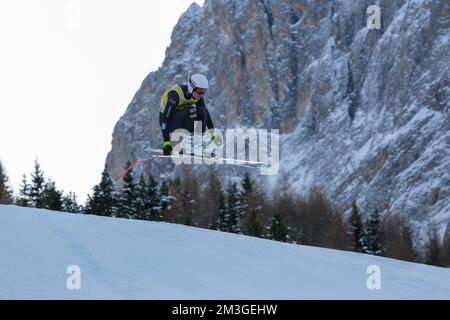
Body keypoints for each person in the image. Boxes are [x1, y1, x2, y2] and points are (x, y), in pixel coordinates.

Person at [159, 74, 222, 155]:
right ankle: (190, 145)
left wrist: (213, 134)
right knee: (191, 110)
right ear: (191, 87)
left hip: (182, 119)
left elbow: (206, 115)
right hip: (167, 122)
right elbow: (165, 119)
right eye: (200, 91)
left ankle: (197, 144)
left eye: (204, 92)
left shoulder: (198, 97)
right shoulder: (175, 95)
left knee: (201, 111)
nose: (201, 95)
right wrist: (167, 143)